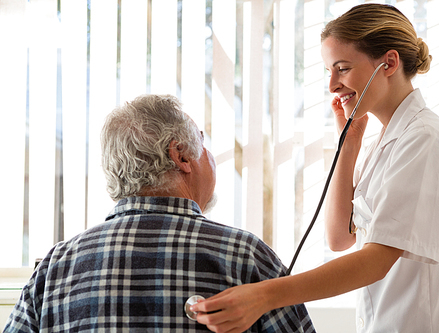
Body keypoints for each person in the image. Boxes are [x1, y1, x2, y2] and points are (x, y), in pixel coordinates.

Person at [191, 4, 439, 333]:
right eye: (329, 72)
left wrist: (264, 296)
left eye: (342, 69)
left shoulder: (425, 141)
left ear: (388, 63)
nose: (332, 85)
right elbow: (339, 238)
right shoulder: (386, 143)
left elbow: (376, 260)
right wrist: (348, 146)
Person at [3, 94, 316, 333]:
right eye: (203, 144)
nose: (212, 157)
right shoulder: (245, 257)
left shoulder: (56, 267)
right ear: (180, 155)